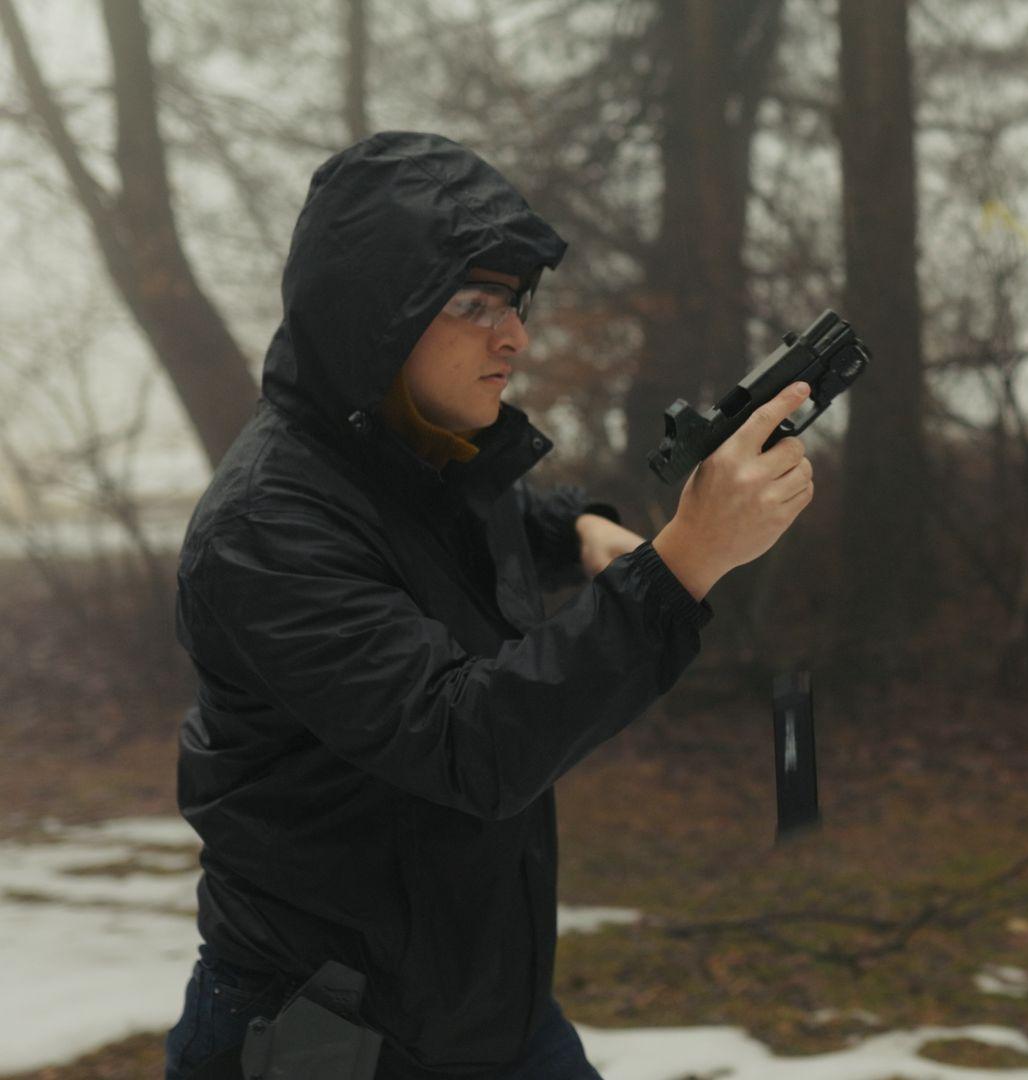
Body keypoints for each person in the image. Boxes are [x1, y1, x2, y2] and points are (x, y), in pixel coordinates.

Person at [165, 131, 813, 1080]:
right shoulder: (264, 530)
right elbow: (469, 743)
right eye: (473, 305)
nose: (513, 336)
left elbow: (481, 521)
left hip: (490, 1007)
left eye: (512, 304)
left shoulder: (418, 451)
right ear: (371, 318)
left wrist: (581, 533)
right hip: (320, 1032)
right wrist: (679, 564)